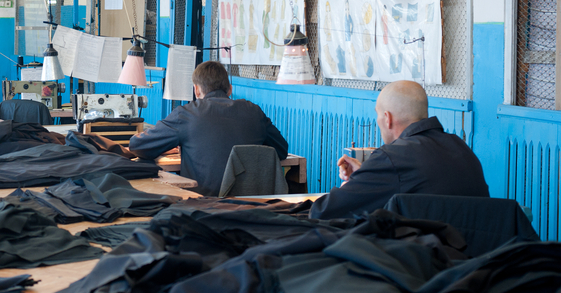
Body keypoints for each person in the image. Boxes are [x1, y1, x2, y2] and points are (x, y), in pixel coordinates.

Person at [309, 80, 489, 219]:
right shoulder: (461, 147)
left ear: (387, 118)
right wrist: (365, 176)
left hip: (426, 254)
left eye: (378, 115)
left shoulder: (392, 158)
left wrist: (352, 184)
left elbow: (322, 212)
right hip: (482, 253)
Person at [129, 60, 288, 196]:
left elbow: (138, 146)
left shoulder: (186, 115)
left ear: (196, 90)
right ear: (230, 89)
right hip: (255, 208)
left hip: (203, 207)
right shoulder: (254, 112)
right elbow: (281, 150)